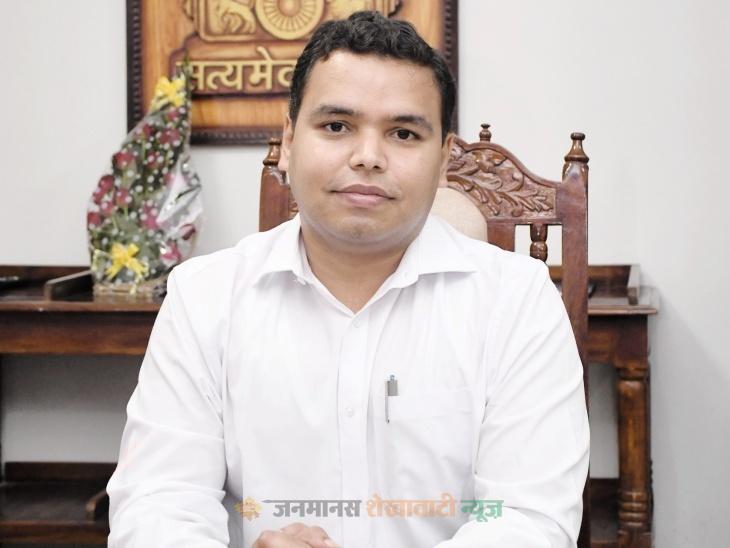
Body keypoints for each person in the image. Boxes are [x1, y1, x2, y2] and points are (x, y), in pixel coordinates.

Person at [107, 11, 589, 548]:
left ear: (443, 160)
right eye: (336, 126)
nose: (368, 158)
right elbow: (158, 503)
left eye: (403, 133)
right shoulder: (205, 297)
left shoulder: (517, 302)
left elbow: (531, 521)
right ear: (289, 140)